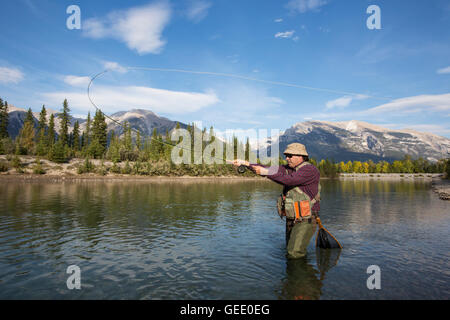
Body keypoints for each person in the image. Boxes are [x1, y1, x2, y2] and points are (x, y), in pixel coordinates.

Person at [233, 143, 320, 259]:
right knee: (290, 250)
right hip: (292, 217)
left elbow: (289, 180)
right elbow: (266, 168)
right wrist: (246, 163)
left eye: (290, 155)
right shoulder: (287, 169)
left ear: (301, 156)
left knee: (294, 254)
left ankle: (301, 276)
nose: (287, 158)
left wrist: (266, 173)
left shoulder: (310, 170)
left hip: (306, 218)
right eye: (286, 155)